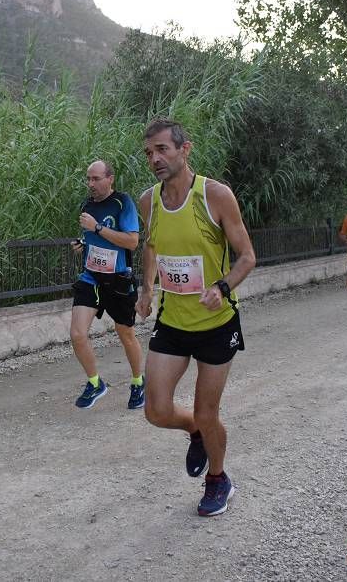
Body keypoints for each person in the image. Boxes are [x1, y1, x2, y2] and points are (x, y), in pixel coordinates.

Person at [135, 118, 256, 517]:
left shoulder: (215, 196)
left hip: (216, 324)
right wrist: (147, 287)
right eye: (149, 152)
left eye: (162, 150)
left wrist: (221, 288)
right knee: (156, 410)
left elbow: (247, 257)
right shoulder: (148, 201)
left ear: (185, 150)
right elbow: (150, 247)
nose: (155, 158)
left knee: (209, 412)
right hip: (173, 321)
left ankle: (218, 479)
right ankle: (196, 433)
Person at [69, 160, 145, 409]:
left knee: (126, 334)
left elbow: (132, 242)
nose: (91, 184)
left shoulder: (123, 203)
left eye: (96, 179)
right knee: (78, 334)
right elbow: (90, 238)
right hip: (90, 277)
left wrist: (97, 228)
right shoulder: (86, 205)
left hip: (118, 280)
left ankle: (138, 382)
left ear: (110, 178)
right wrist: (82, 244)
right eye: (88, 179)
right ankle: (95, 383)